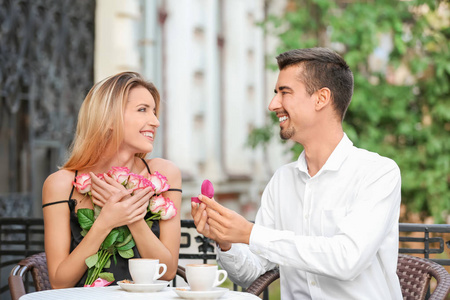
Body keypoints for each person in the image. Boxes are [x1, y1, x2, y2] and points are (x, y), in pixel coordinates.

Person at [191, 48, 402, 299]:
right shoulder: (282, 180)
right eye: (275, 93)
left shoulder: (378, 173)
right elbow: (252, 272)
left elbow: (348, 259)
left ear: (321, 98)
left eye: (285, 93)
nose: (273, 105)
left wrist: (250, 233)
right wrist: (225, 239)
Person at [42, 72, 182, 288]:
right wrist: (105, 222)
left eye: (154, 112)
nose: (155, 122)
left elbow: (167, 271)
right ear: (108, 119)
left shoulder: (164, 176)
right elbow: (60, 282)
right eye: (143, 110)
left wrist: (131, 216)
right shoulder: (60, 185)